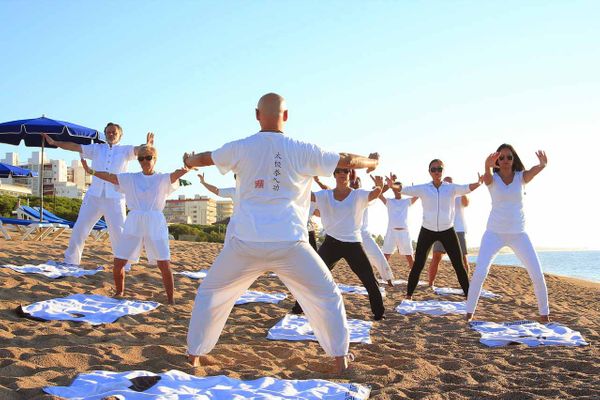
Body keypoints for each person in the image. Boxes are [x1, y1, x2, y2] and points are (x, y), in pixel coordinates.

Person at [184, 93, 379, 373]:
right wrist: (372, 163)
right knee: (326, 295)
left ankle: (194, 355)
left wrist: (189, 159)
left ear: (256, 115)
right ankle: (340, 358)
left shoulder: (241, 147)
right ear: (286, 116)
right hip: (289, 243)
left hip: (245, 243)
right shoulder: (301, 148)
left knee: (211, 293)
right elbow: (347, 159)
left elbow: (205, 158)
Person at [80, 144, 190, 304]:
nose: (144, 161)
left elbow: (176, 174)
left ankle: (171, 299)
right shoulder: (131, 178)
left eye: (148, 158)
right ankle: (119, 292)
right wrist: (92, 171)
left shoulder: (162, 178)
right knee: (119, 262)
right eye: (141, 158)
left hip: (155, 221)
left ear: (155, 159)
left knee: (164, 263)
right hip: (134, 220)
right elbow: (111, 177)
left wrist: (188, 166)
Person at [42, 125, 153, 269]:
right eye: (108, 132)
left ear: (120, 135)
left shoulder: (125, 150)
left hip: (115, 196)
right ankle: (71, 260)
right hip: (93, 195)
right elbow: (75, 147)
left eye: (114, 132)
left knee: (118, 232)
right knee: (80, 228)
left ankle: (124, 265)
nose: (111, 134)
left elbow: (140, 150)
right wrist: (55, 143)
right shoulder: (97, 149)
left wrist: (148, 146)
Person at [466, 145, 550, 323]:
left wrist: (542, 164)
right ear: (497, 161)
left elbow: (533, 171)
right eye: (501, 158)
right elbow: (487, 178)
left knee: (536, 272)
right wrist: (487, 165)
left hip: (519, 234)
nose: (505, 161)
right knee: (480, 272)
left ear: (513, 159)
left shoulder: (521, 177)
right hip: (493, 234)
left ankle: (544, 315)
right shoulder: (492, 178)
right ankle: (468, 313)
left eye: (508, 157)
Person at [291, 170, 386, 319]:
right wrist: (296, 180)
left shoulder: (357, 194)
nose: (342, 174)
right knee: (314, 275)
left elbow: (373, 194)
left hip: (353, 244)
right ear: (334, 174)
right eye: (339, 171)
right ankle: (298, 307)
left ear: (350, 175)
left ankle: (379, 312)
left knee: (369, 279)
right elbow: (308, 195)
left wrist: (379, 187)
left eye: (346, 171)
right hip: (331, 243)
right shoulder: (326, 195)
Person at [400, 160, 482, 299]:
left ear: (443, 171)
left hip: (447, 230)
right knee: (418, 264)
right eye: (434, 169)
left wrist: (479, 183)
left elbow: (466, 187)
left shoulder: (451, 188)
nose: (437, 171)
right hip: (427, 230)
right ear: (429, 171)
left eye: (439, 169)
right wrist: (392, 185)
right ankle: (409, 295)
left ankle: (468, 295)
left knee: (458, 264)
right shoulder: (424, 188)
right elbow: (404, 189)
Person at [427, 176, 470, 287]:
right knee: (436, 256)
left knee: (462, 258)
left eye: (449, 182)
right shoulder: (439, 195)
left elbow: (466, 203)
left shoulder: (459, 195)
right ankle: (430, 283)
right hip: (441, 229)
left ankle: (466, 284)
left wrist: (461, 190)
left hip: (458, 229)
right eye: (445, 182)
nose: (447, 184)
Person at [378, 175, 418, 271]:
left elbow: (417, 196)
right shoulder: (389, 201)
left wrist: (412, 190)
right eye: (394, 189)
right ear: (392, 190)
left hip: (404, 232)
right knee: (386, 256)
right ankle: (383, 276)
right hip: (391, 231)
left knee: (409, 257)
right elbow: (379, 194)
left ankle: (414, 277)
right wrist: (387, 185)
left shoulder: (406, 201)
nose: (397, 190)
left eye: (399, 189)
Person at [198, 172, 237, 244]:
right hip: (236, 224)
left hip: (247, 224)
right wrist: (203, 182)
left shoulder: (253, 190)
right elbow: (216, 190)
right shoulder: (234, 191)